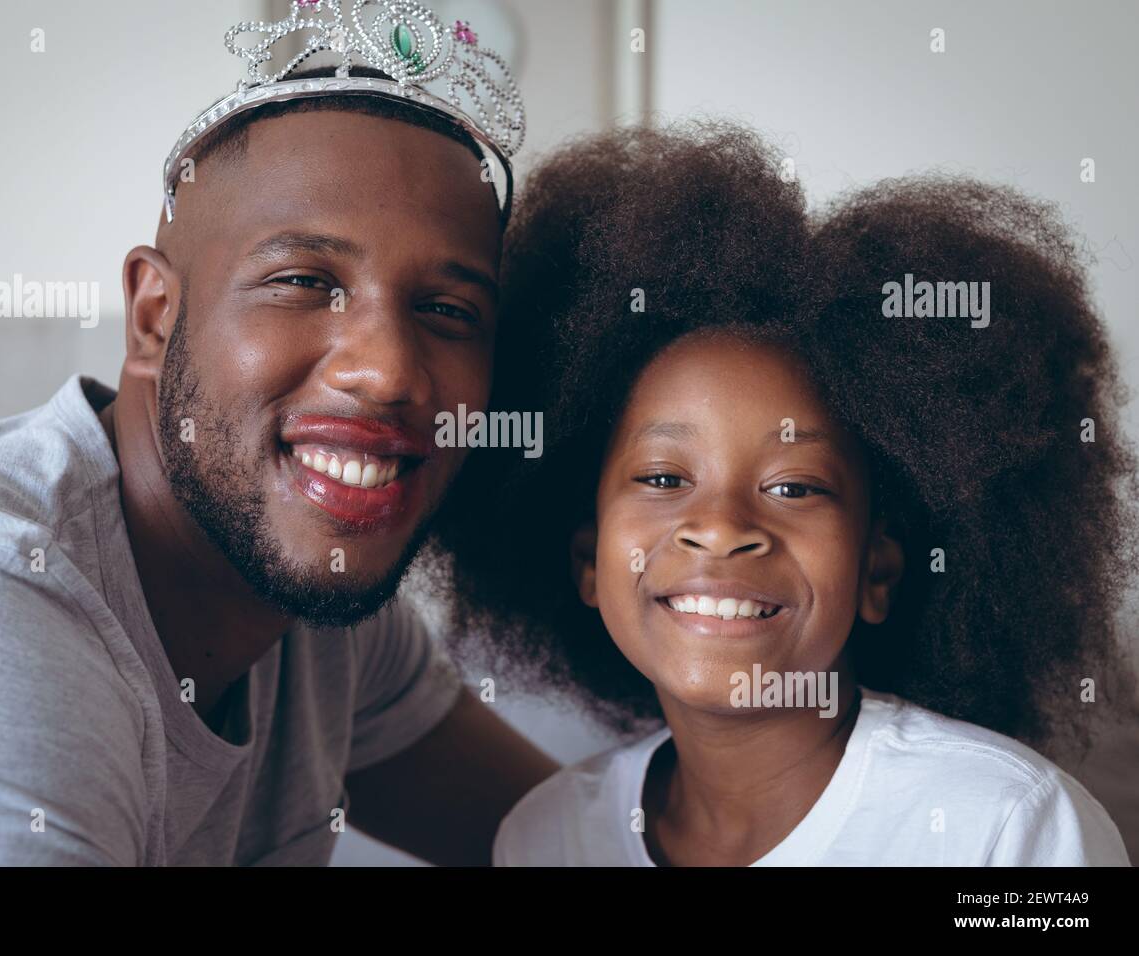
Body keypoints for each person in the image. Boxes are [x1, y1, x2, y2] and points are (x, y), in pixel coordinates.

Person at [0, 15, 556, 865]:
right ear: (153, 317)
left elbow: (580, 840)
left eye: (448, 310)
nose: (389, 372)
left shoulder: (326, 614)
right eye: (304, 281)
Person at [432, 121, 1137, 866]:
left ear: (878, 569)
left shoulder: (1005, 826)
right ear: (587, 561)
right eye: (665, 478)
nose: (721, 526)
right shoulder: (544, 840)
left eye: (795, 486)